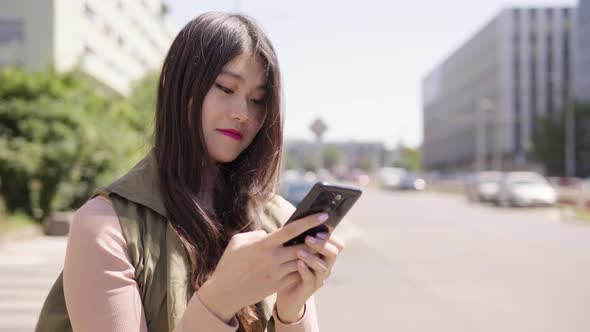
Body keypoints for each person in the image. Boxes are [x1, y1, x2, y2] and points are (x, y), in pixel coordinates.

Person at [35, 11, 345, 332]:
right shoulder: (107, 225)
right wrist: (219, 300)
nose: (243, 113)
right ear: (175, 83)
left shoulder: (279, 219)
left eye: (257, 100)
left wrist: (292, 309)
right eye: (226, 88)